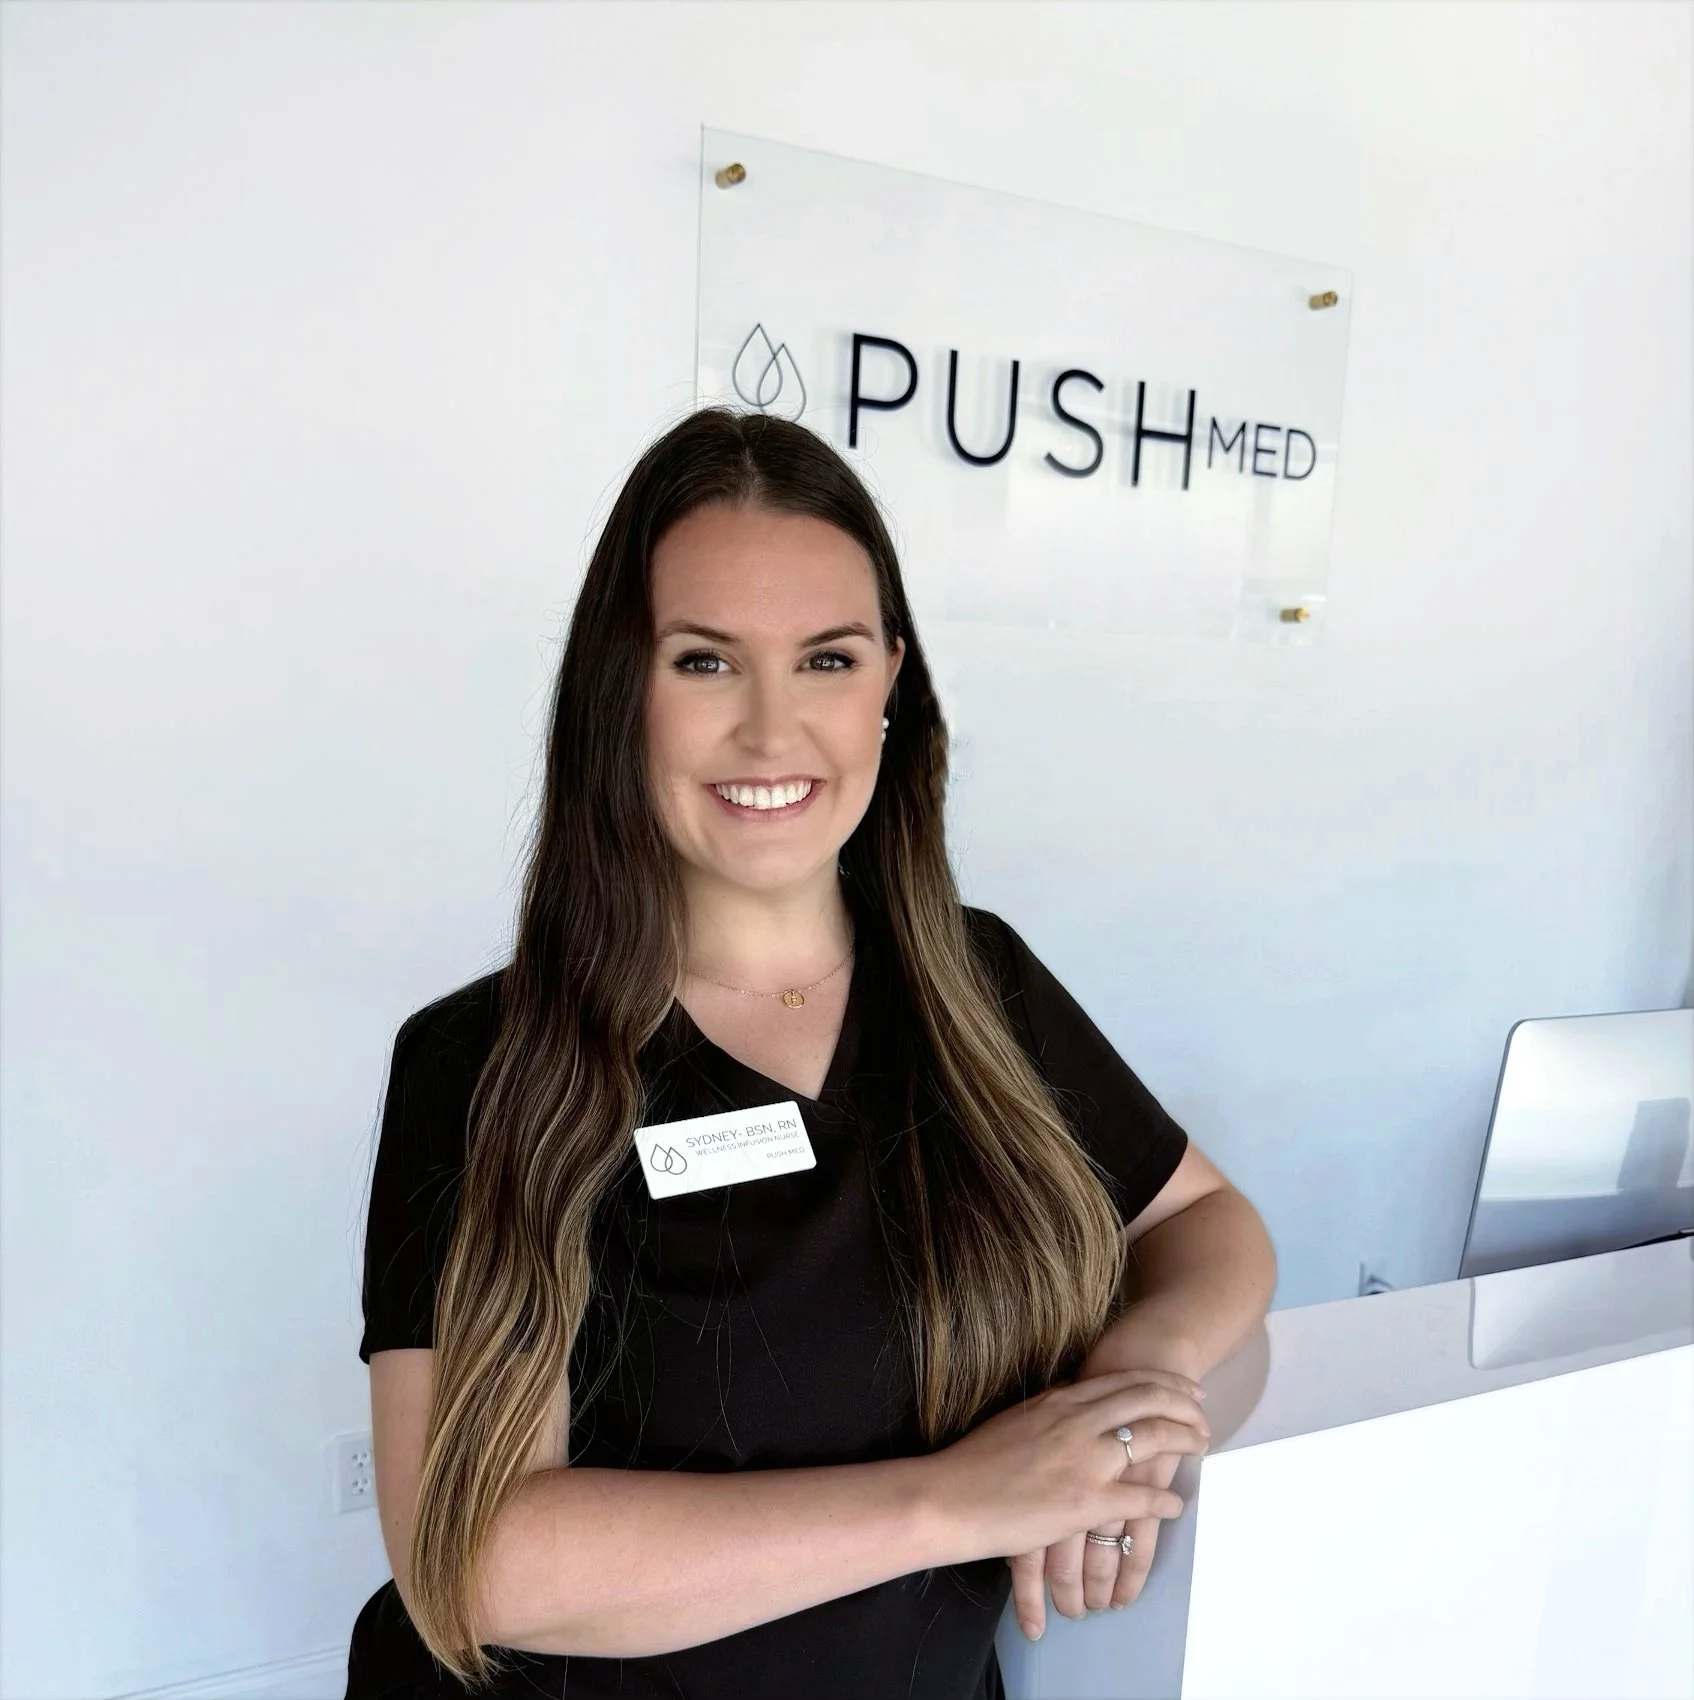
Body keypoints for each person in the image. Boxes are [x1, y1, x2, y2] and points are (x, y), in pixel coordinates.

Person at [346, 407, 1277, 1699]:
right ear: (618, 692)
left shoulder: (977, 984)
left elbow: (1206, 1223)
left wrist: (1133, 1382)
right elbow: (478, 1561)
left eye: (827, 659)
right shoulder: (481, 1063)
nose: (772, 732)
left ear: (891, 679)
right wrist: (963, 1499)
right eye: (705, 662)